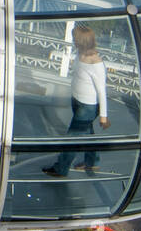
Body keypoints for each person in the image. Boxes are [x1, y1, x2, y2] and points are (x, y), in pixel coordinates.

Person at [43, 25, 108, 177]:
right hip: (78, 101)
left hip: (88, 107)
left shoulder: (96, 64)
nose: (73, 41)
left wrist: (103, 116)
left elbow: (102, 91)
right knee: (87, 133)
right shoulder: (80, 54)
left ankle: (61, 168)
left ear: (81, 41)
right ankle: (92, 162)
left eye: (75, 39)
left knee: (71, 139)